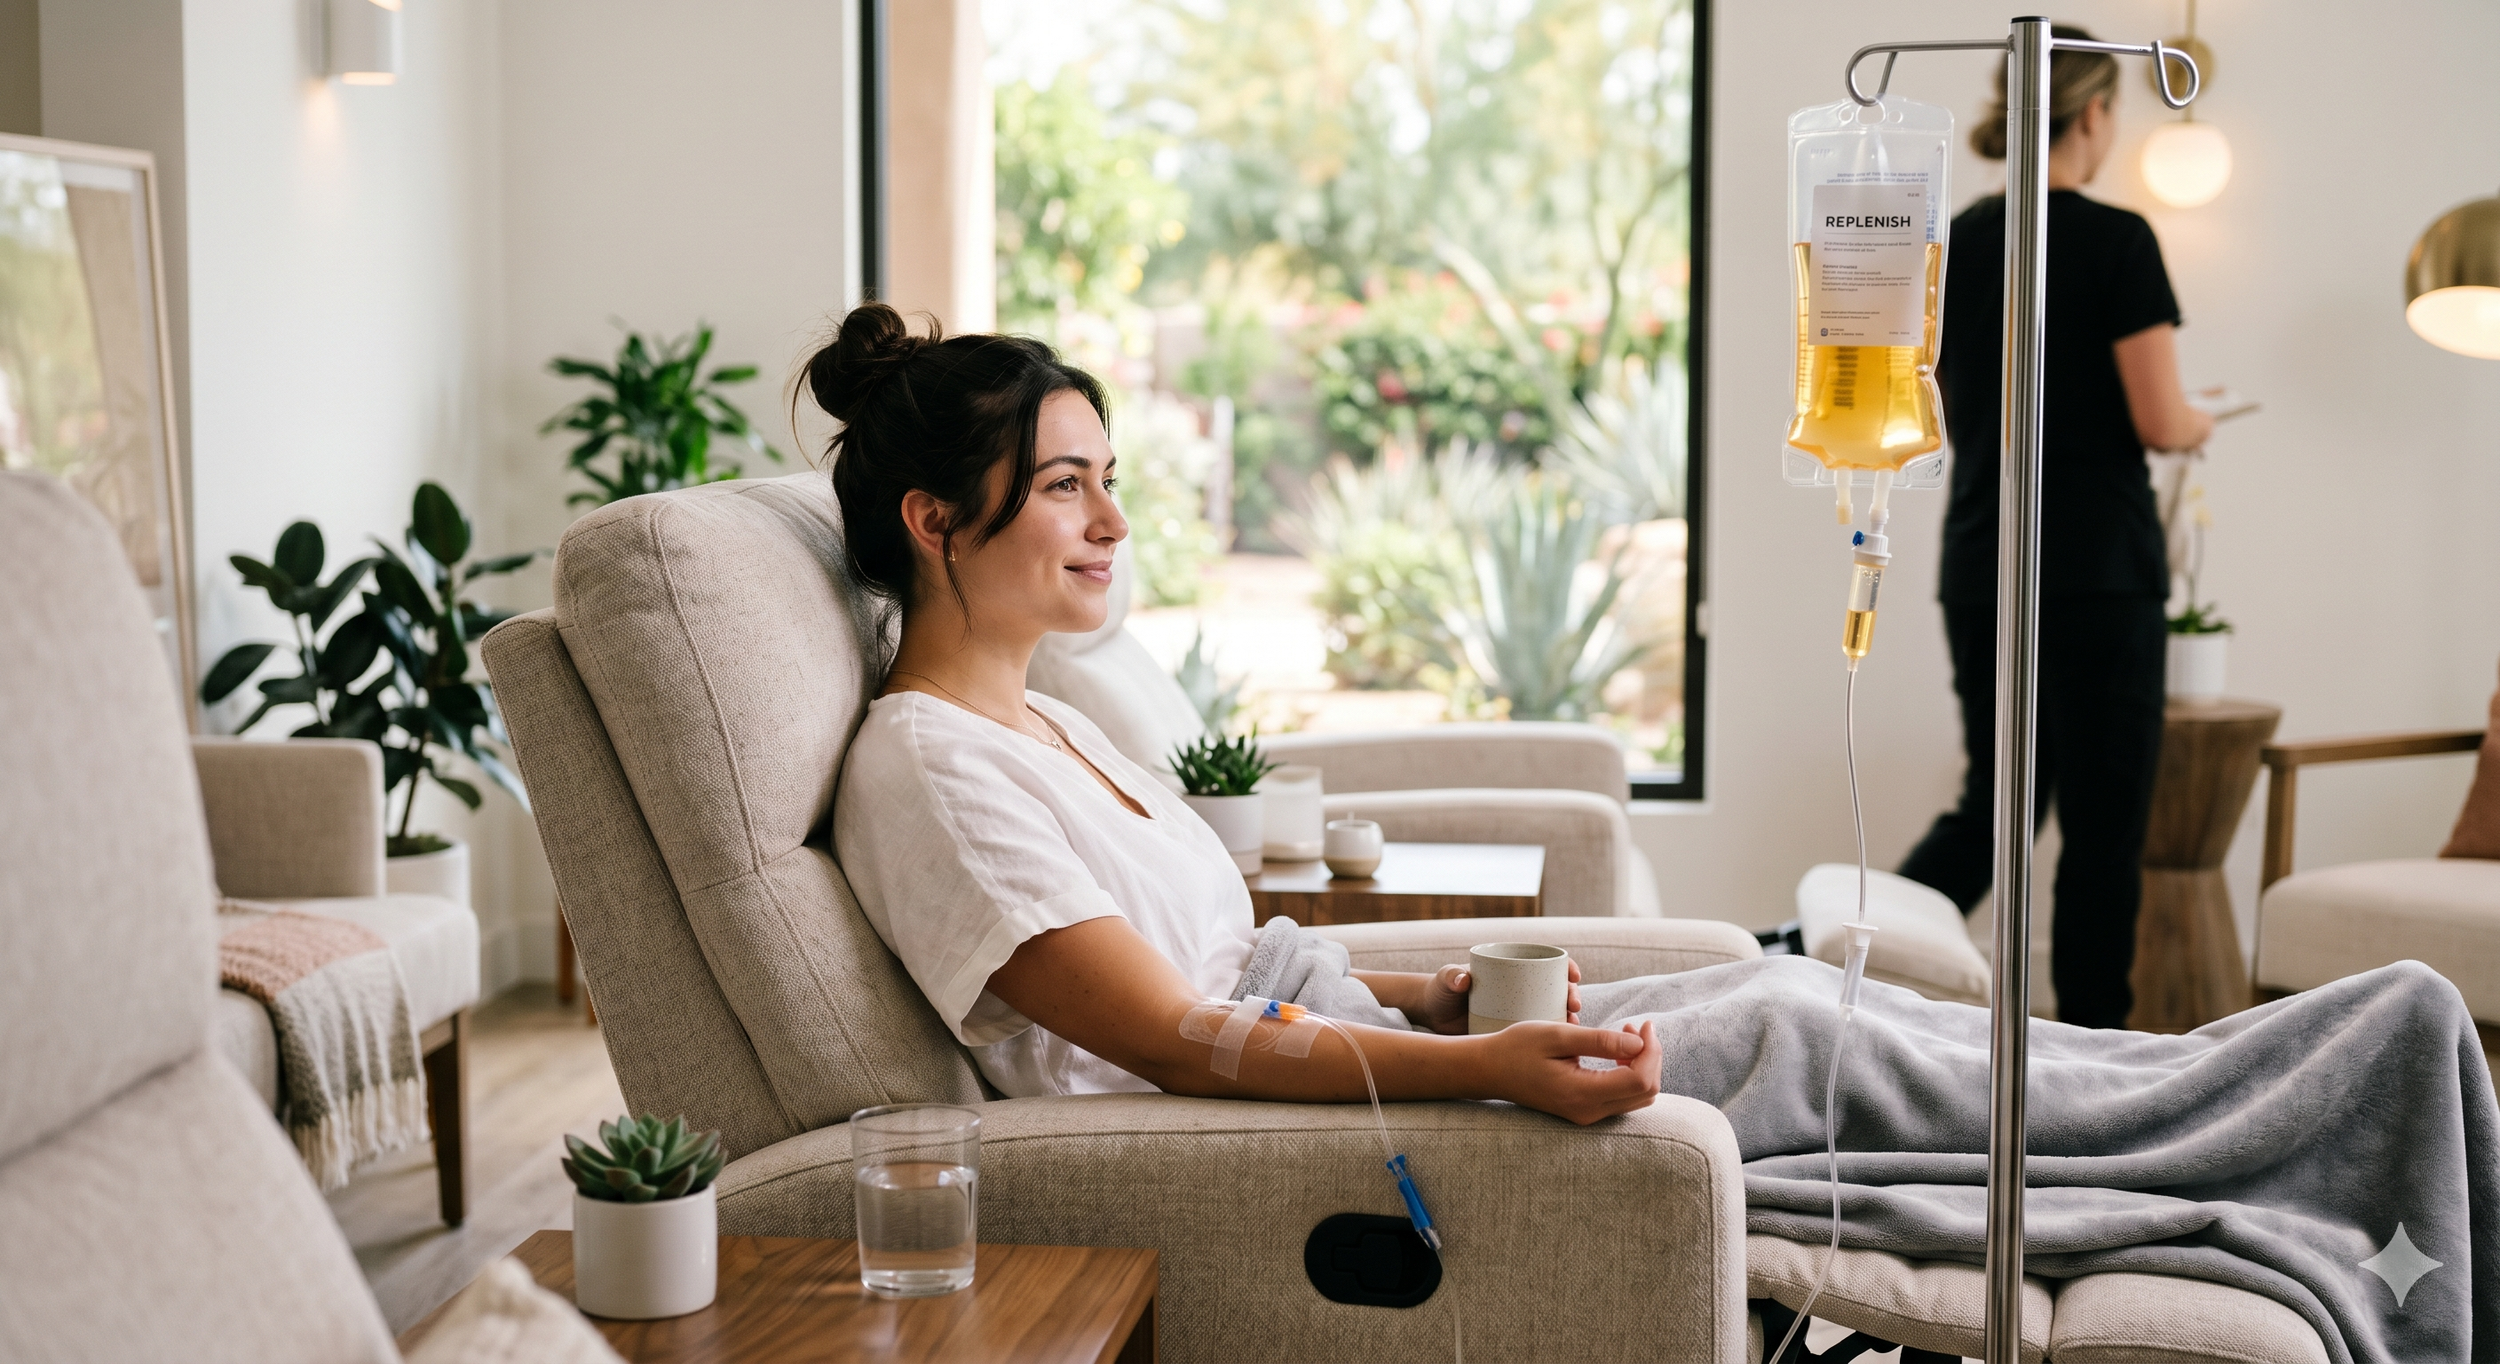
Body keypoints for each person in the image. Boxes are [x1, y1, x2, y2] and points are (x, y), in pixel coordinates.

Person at [810, 304, 2490, 1364]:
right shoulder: (932, 773)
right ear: (933, 522)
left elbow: (1221, 968)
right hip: (1294, 1151)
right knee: (1800, 1010)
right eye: (1064, 488)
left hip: (1369, 1056)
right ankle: (2332, 1082)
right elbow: (1179, 1035)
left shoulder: (1048, 722)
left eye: (1109, 476)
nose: (1114, 519)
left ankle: (2313, 1080)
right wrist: (1497, 1064)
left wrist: (1436, 997)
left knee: (1827, 1003)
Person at [1898, 26, 2215, 1029]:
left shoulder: (1961, 237)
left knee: (1996, 806)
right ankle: (2091, 1064)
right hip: (2101, 574)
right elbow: (2162, 419)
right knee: (2101, 826)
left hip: (1984, 557)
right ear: (2091, 113)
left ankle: (1837, 959)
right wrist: (2201, 416)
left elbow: (1936, 407)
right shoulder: (2120, 242)